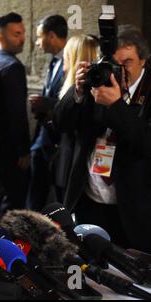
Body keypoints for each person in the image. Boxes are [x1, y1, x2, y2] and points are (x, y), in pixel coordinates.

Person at [53, 25, 151, 252]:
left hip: (134, 210)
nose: (119, 70)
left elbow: (145, 142)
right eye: (114, 64)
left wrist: (116, 106)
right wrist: (76, 92)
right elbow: (60, 124)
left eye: (126, 63)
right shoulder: (97, 83)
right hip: (89, 202)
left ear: (143, 61)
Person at [0, 12, 30, 213]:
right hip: (10, 149)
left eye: (22, 33)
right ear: (0, 38)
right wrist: (23, 150)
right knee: (12, 202)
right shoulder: (12, 67)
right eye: (16, 34)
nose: (22, 38)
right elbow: (17, 113)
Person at [27, 14, 68, 211]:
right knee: (36, 196)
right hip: (42, 141)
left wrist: (48, 104)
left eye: (39, 36)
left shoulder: (70, 63)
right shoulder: (53, 62)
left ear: (51, 36)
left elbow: (69, 102)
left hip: (56, 143)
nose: (37, 42)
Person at [53, 35, 99, 199]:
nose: (63, 65)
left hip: (78, 172)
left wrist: (79, 91)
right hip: (66, 167)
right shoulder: (73, 88)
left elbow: (64, 123)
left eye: (66, 58)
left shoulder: (94, 92)